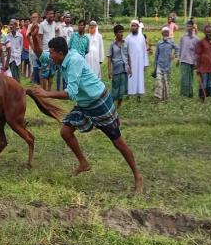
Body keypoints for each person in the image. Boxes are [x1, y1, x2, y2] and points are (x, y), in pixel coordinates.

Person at [33, 37, 143, 193]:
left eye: (51, 53)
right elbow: (40, 55)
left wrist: (46, 94)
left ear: (60, 52)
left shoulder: (74, 61)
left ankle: (138, 176)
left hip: (99, 101)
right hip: (85, 103)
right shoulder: (60, 58)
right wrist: (33, 36)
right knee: (65, 131)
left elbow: (71, 93)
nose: (49, 56)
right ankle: (83, 163)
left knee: (118, 142)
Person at [107, 25, 131, 109]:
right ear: (115, 33)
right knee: (115, 88)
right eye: (120, 32)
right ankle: (110, 105)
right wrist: (109, 71)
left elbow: (128, 56)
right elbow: (109, 58)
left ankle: (119, 105)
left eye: (122, 32)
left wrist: (130, 68)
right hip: (116, 70)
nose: (122, 34)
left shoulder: (126, 43)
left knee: (122, 89)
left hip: (124, 69)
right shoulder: (112, 45)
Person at [153, 27, 178, 101]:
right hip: (159, 65)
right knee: (159, 81)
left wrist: (174, 55)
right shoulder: (159, 43)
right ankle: (158, 97)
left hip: (167, 66)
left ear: (169, 33)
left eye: (167, 32)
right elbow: (156, 55)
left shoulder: (171, 42)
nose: (166, 33)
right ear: (162, 33)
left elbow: (177, 48)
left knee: (166, 82)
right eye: (164, 32)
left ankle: (166, 97)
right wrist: (155, 65)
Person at [125, 20, 148, 99]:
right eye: (132, 26)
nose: (133, 27)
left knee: (139, 77)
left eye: (134, 26)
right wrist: (126, 63)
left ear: (138, 27)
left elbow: (144, 50)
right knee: (130, 77)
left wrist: (145, 63)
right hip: (131, 62)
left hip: (140, 62)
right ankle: (130, 93)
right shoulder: (128, 38)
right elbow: (125, 51)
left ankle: (139, 93)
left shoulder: (141, 37)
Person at [195, 25, 211, 101]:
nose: (209, 33)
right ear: (204, 32)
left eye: (210, 32)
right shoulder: (200, 42)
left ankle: (207, 97)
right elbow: (197, 56)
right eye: (207, 32)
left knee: (209, 83)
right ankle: (202, 98)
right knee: (203, 82)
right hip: (203, 67)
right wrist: (197, 68)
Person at [37, 10, 58, 90]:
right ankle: (44, 91)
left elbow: (56, 34)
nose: (52, 15)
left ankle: (49, 91)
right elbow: (40, 38)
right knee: (44, 73)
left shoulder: (54, 24)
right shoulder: (42, 25)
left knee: (52, 73)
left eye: (53, 14)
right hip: (45, 51)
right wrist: (40, 52)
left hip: (53, 51)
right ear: (46, 15)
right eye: (50, 14)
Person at [178, 20, 199, 98]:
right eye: (187, 26)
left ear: (193, 27)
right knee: (184, 77)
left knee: (190, 78)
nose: (189, 28)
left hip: (192, 61)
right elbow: (180, 48)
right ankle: (184, 94)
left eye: (190, 26)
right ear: (186, 27)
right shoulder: (183, 37)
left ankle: (190, 93)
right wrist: (178, 58)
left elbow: (198, 52)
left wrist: (196, 63)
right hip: (184, 60)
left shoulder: (196, 39)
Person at [29, 12, 41, 84]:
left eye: (35, 17)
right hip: (33, 50)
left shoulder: (41, 26)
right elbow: (28, 37)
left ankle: (40, 83)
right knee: (34, 66)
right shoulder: (30, 26)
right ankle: (35, 82)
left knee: (41, 67)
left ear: (38, 18)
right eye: (33, 17)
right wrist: (32, 47)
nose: (34, 19)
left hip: (40, 50)